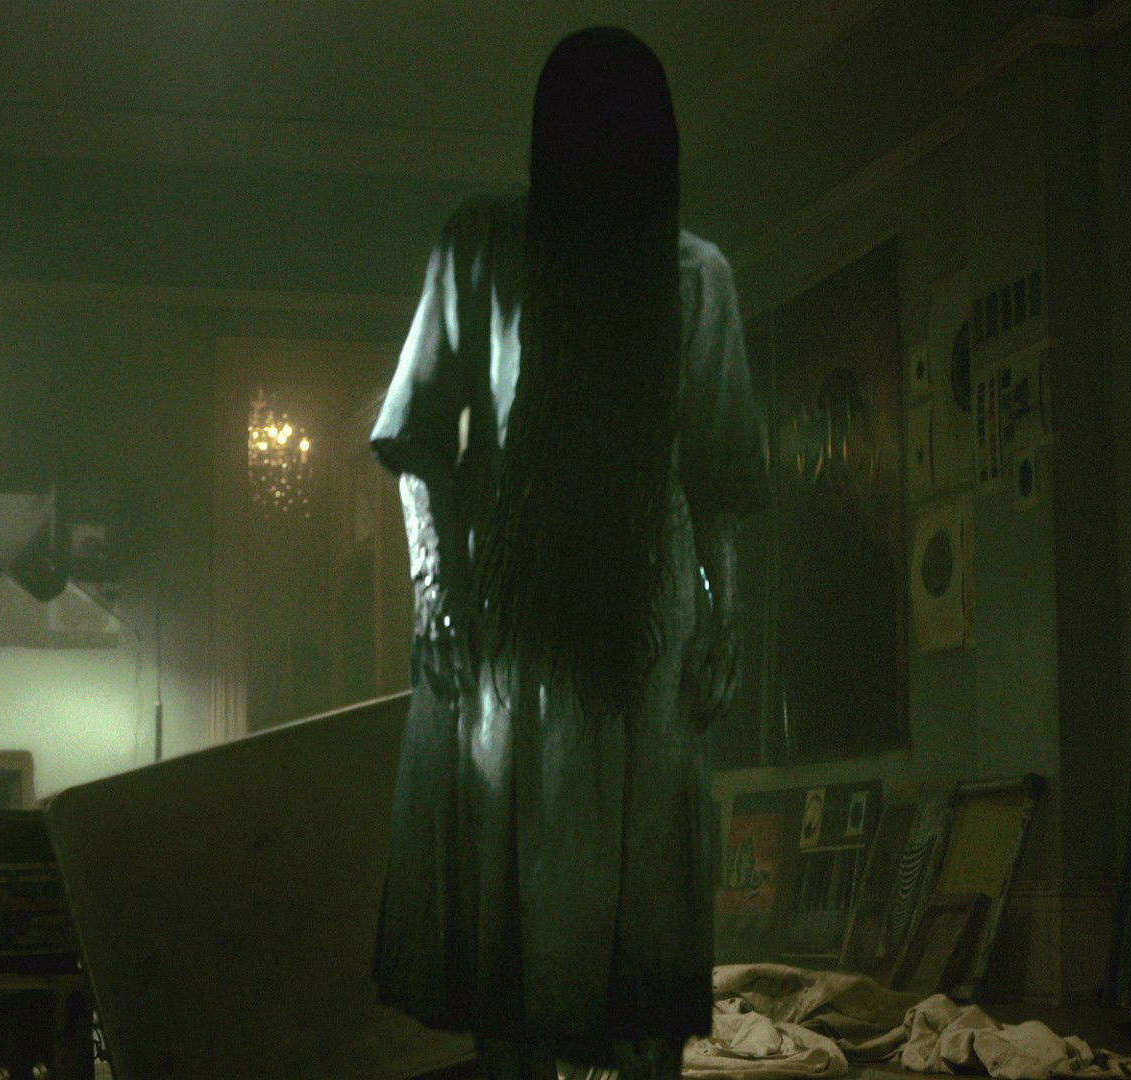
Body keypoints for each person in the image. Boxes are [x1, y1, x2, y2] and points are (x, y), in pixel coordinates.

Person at [369, 27, 768, 1080]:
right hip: (515, 592)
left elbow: (720, 471)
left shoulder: (695, 274)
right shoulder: (483, 245)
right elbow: (418, 441)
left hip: (647, 598)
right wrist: (436, 587)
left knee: (645, 868)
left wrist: (725, 617)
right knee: (515, 849)